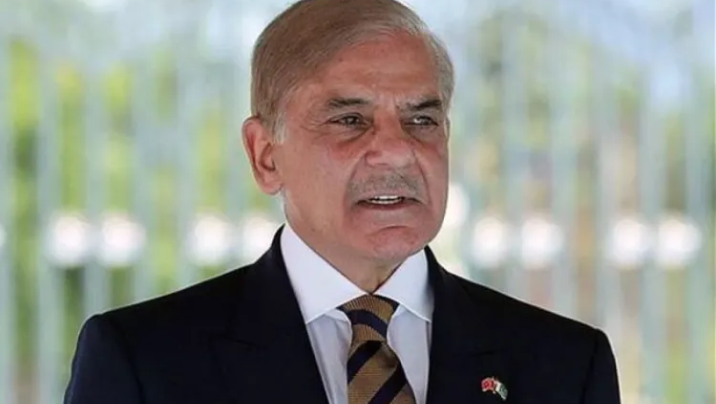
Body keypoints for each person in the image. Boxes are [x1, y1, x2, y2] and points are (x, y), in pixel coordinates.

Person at [63, 0, 622, 403]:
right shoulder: (145, 362)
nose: (396, 151)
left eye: (421, 120)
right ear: (265, 156)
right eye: (350, 120)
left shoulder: (566, 366)